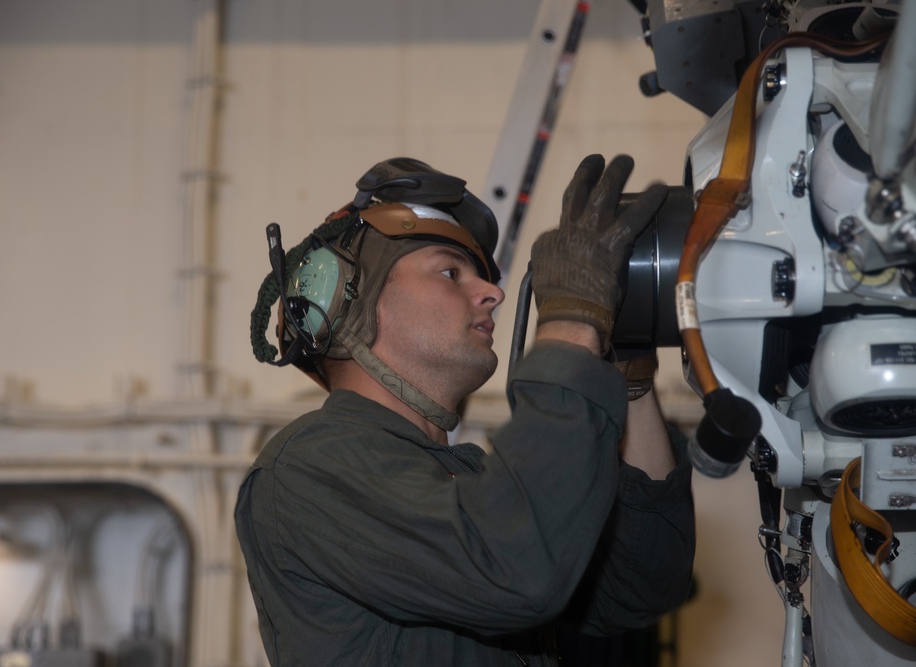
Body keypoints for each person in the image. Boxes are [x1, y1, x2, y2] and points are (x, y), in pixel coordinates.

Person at [236, 154, 695, 666]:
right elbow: (511, 565)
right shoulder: (306, 470)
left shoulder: (473, 480)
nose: (494, 294)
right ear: (346, 297)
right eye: (450, 272)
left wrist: (625, 369)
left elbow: (641, 585)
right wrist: (570, 320)